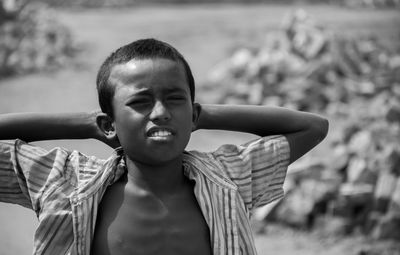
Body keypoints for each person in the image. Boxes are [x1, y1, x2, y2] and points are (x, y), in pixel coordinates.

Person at [0, 38, 328, 255]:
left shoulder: (230, 178)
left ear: (194, 111)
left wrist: (200, 116)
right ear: (108, 124)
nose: (160, 113)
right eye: (141, 103)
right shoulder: (65, 182)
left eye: (174, 99)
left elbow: (312, 127)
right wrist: (88, 124)